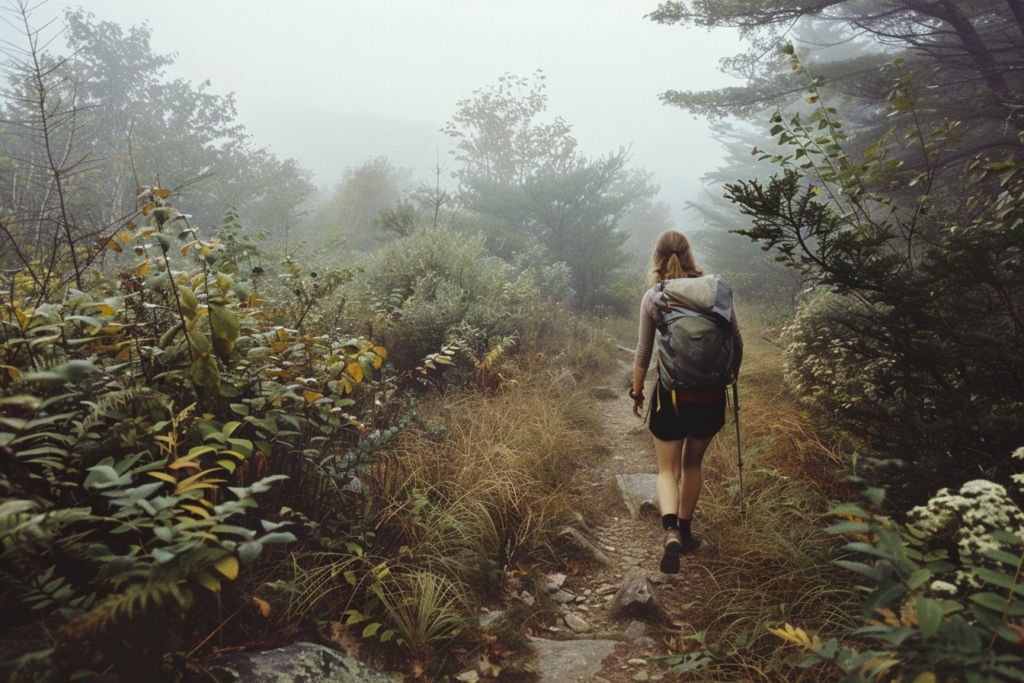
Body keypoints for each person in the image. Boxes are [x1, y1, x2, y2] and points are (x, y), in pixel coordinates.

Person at [630, 230, 743, 574]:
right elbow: (736, 341)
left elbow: (644, 353)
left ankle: (671, 533)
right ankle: (688, 531)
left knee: (667, 470)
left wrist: (637, 393)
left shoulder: (655, 296)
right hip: (709, 394)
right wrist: (729, 378)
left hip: (671, 395)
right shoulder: (716, 292)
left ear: (658, 257)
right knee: (692, 465)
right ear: (690, 254)